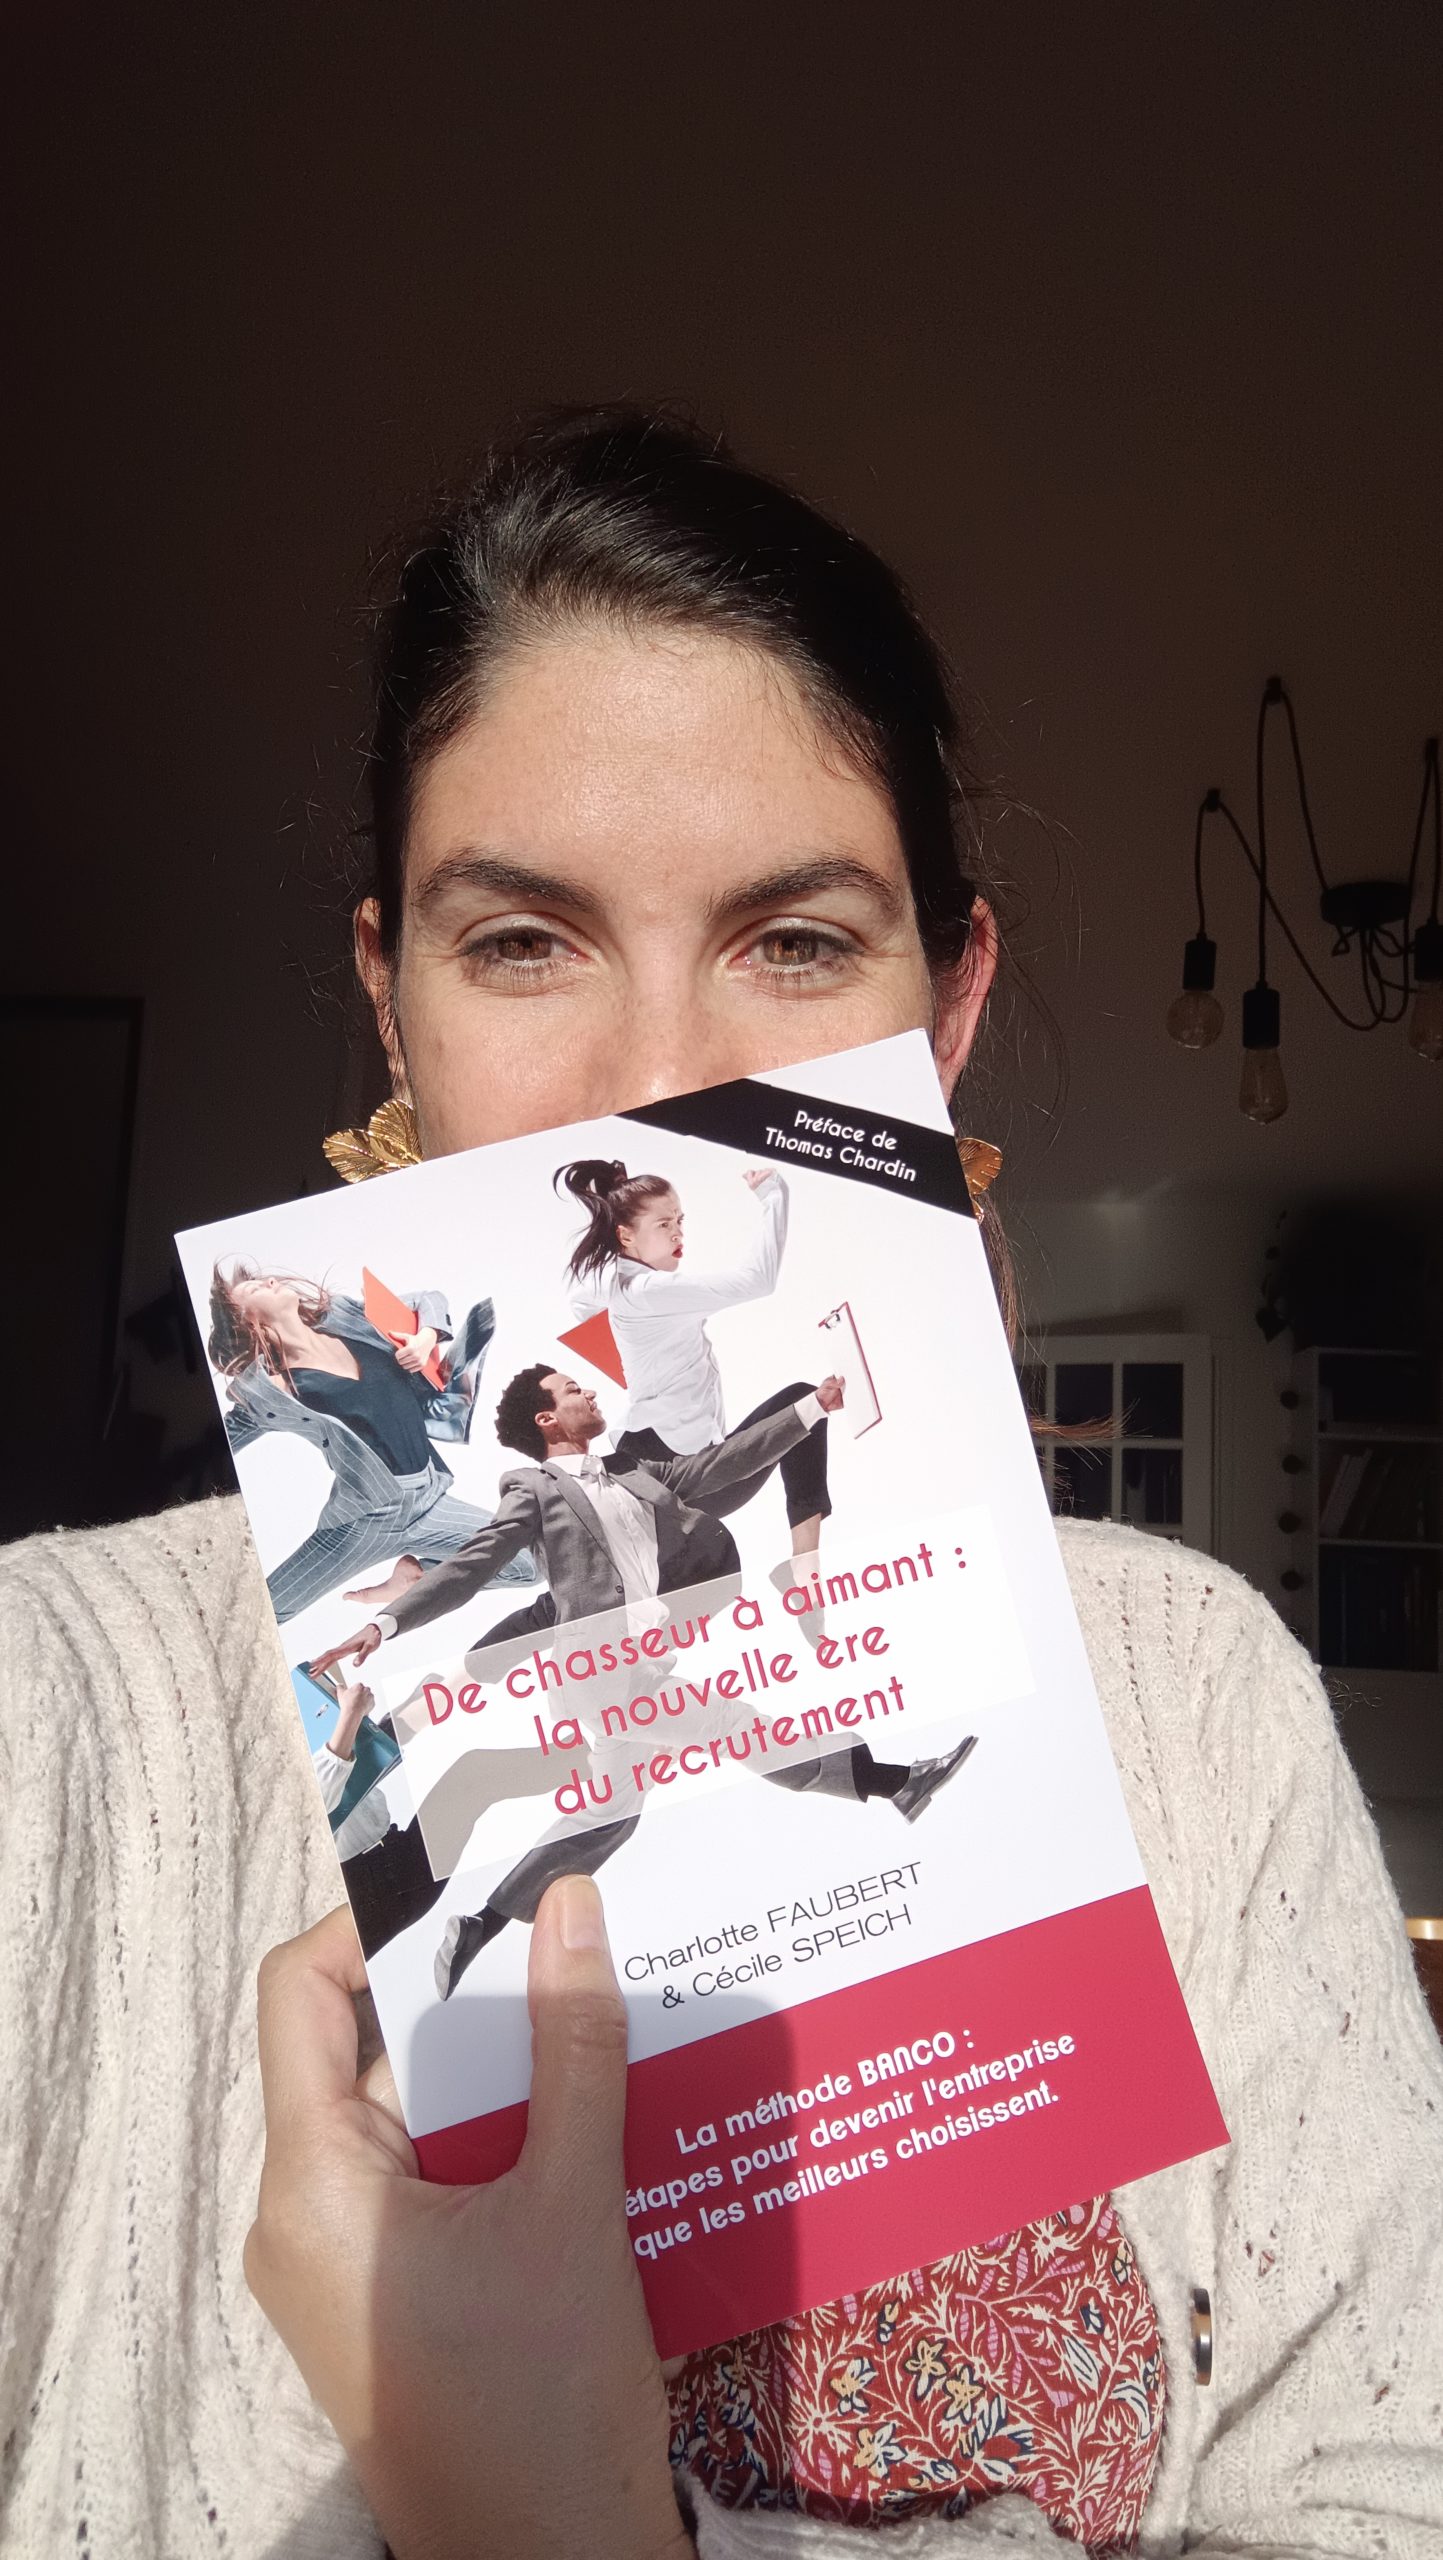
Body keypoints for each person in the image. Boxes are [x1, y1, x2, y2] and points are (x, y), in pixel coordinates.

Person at [2, 406, 1440, 2560]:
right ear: (388, 998)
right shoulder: (59, 1705)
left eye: (794, 940)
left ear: (943, 1006)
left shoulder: (1201, 1692)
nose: (660, 1087)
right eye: (522, 940)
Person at [309, 1365, 975, 1998]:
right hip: (599, 1674)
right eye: (574, 1389)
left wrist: (808, 1409)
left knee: (614, 1814)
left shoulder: (632, 1471)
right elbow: (472, 1566)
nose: (590, 1393)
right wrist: (386, 1625)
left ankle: (481, 1927)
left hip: (639, 1667)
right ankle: (893, 1782)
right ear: (548, 1419)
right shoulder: (532, 1489)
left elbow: (721, 1463)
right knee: (733, 1727)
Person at [558, 1156, 835, 1588]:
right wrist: (774, 1196)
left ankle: (804, 1567)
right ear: (626, 1235)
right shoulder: (651, 1291)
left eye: (680, 1221)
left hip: (681, 1462)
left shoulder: (624, 1284)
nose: (678, 1233)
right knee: (805, 1406)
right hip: (675, 1474)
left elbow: (580, 1302)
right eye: (663, 1224)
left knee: (802, 1408)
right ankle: (804, 1567)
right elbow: (759, 1280)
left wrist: (639, 1359)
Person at [209, 1261, 539, 1618]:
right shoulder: (271, 1394)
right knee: (265, 1612)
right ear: (247, 1323)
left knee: (529, 1564)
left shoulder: (348, 1318)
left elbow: (430, 1299)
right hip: (365, 1521)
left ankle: (415, 1578)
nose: (270, 1280)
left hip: (429, 1497)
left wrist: (425, 1339)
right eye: (255, 1289)